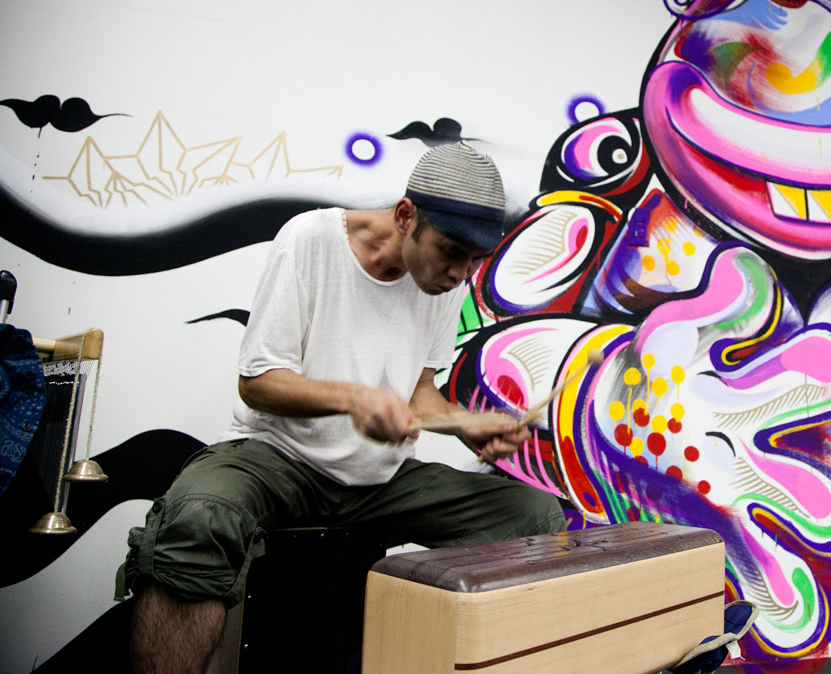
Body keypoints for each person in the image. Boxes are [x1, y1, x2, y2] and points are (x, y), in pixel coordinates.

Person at [122, 142, 566, 674]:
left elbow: (419, 391)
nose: (459, 274)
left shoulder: (445, 281)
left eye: (475, 261)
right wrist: (354, 398)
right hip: (279, 459)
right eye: (451, 252)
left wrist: (462, 424)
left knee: (533, 516)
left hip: (379, 482)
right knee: (199, 514)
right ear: (406, 216)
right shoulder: (311, 240)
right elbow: (258, 383)